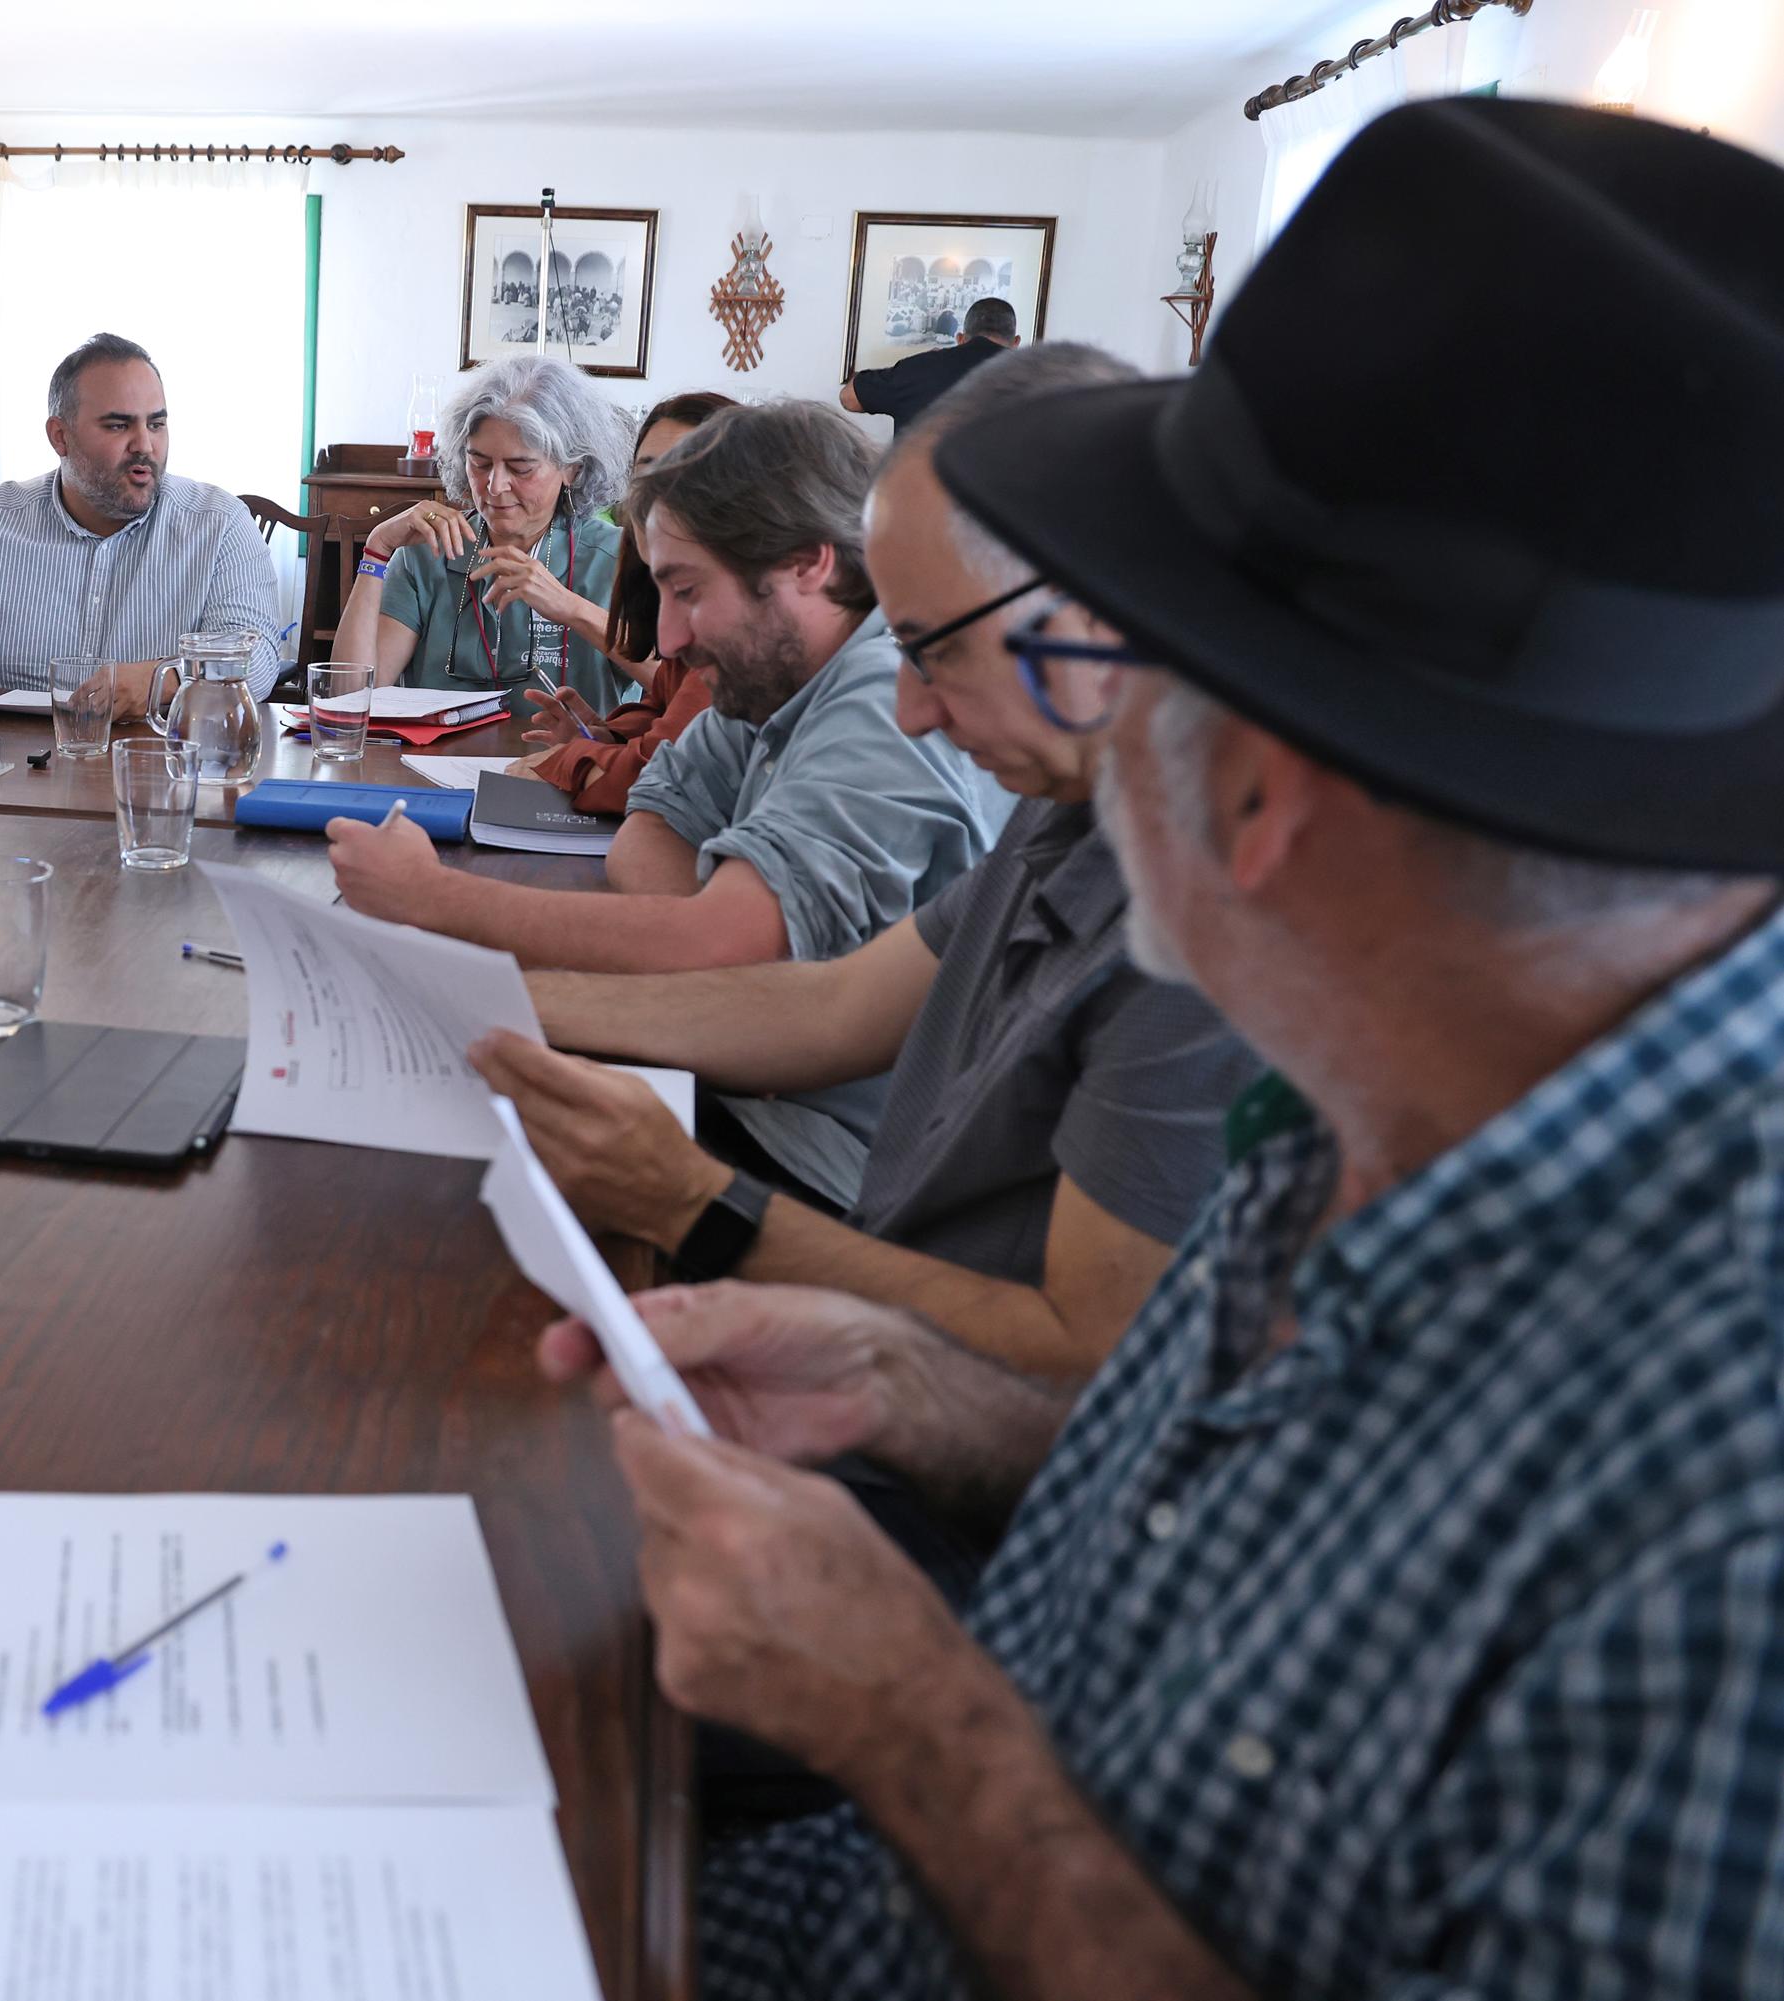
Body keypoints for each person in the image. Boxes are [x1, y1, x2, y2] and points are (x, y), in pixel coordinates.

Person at [548, 99, 1784, 2000]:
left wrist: (915, 1728)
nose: (1063, 726)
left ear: (1261, 797)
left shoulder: (1725, 1508)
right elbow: (1207, 1520)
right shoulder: (1369, 1090)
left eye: (1136, 677)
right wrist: (899, 1380)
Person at [474, 344, 1256, 1384]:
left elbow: (1079, 1369)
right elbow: (830, 1010)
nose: (911, 707)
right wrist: (485, 1009)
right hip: (886, 1261)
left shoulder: (1209, 920)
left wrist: (690, 1200)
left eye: (935, 652)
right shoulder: (1073, 810)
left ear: (1093, 609)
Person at [329, 400, 1010, 1205]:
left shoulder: (876, 696)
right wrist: (709, 951)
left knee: (401, 1165)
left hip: (831, 1161)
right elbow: (648, 834)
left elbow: (722, 942)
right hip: (741, 1081)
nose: (672, 640)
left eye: (686, 591)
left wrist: (430, 899)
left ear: (807, 563)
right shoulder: (769, 676)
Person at [0, 333, 281, 715]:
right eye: (119, 425)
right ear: (59, 437)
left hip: (159, 766)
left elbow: (257, 660)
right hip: (13, 773)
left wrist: (167, 678)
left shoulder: (219, 525)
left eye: (156, 423)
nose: (145, 445)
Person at [334, 355, 632, 717]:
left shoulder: (614, 558)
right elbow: (348, 698)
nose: (495, 485)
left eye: (521, 468)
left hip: (563, 768)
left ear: (572, 468)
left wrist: (569, 607)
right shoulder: (426, 553)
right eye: (480, 463)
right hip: (431, 768)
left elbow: (673, 686)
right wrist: (378, 550)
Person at [516, 390, 733, 809]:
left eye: (686, 477)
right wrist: (606, 736)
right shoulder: (659, 573)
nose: (658, 497)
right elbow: (661, 705)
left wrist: (574, 760)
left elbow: (655, 776)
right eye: (647, 476)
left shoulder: (741, 611)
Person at [838, 296, 1017, 436]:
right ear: (1016, 342)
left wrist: (919, 363)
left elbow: (849, 398)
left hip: (917, 482)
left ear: (960, 338)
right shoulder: (1039, 381)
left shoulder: (919, 368)